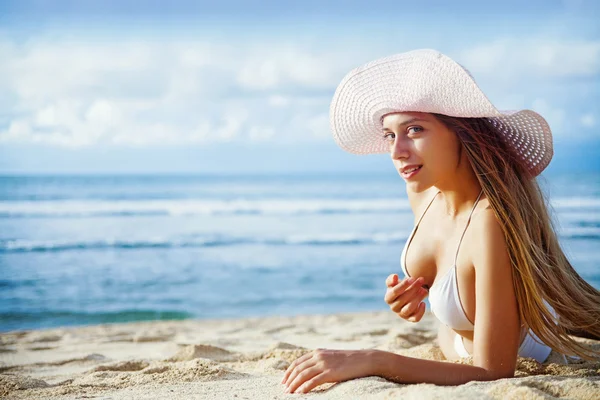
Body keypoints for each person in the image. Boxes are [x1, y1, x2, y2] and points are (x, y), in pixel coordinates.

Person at [281, 49, 600, 394]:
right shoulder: (423, 192)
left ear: (462, 133)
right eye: (390, 134)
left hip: (519, 353)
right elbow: (447, 274)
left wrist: (375, 359)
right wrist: (411, 295)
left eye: (414, 129)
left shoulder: (490, 223)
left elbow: (495, 372)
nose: (396, 151)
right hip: (454, 347)